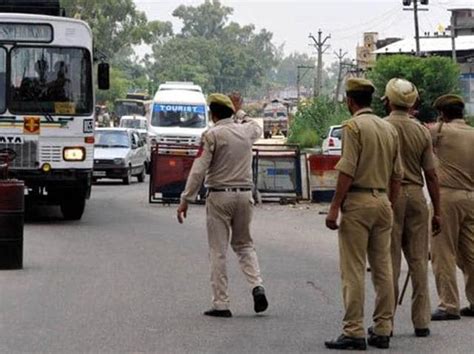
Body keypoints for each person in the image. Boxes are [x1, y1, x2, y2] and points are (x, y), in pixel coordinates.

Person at [325, 78, 403, 350]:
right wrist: (389, 205)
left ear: (350, 101)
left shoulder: (353, 127)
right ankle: (383, 328)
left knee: (353, 269)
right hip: (382, 201)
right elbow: (397, 176)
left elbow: (347, 170)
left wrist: (334, 207)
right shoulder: (388, 128)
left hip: (358, 202)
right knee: (383, 269)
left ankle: (354, 331)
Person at [177, 93, 268, 318]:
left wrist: (185, 199)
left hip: (219, 197)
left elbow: (198, 169)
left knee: (218, 251)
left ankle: (221, 303)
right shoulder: (247, 131)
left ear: (213, 114)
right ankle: (257, 286)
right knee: (245, 244)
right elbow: (256, 127)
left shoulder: (211, 135)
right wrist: (240, 111)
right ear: (231, 112)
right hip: (245, 196)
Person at [383, 78, 441, 337]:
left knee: (390, 261)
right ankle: (421, 322)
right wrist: (437, 210)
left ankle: (387, 322)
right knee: (418, 261)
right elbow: (431, 175)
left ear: (388, 101)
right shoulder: (421, 131)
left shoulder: (382, 127)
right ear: (413, 103)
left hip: (390, 196)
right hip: (417, 196)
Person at [429, 94, 474, 321]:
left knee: (442, 251)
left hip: (447, 196)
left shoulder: (440, 131)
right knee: (470, 252)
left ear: (443, 114)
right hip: (471, 196)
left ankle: (449, 304)